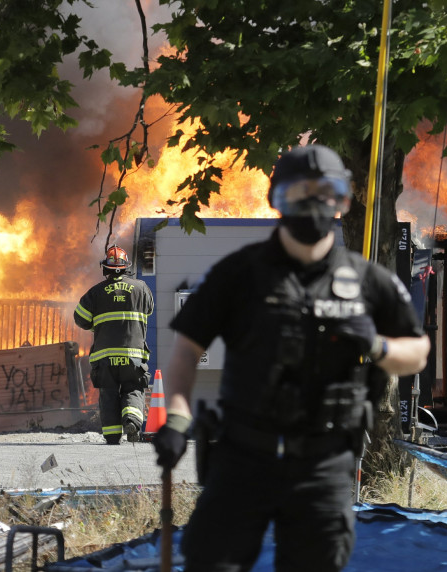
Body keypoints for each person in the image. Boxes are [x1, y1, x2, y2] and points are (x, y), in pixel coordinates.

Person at [152, 144, 430, 571]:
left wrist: (377, 346)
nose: (313, 204)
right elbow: (186, 349)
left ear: (343, 200)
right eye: (299, 193)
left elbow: (417, 353)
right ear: (276, 198)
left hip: (325, 464)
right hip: (243, 456)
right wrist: (176, 417)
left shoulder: (369, 282)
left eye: (326, 193)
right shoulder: (237, 274)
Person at [74, 244, 154, 444]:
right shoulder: (141, 288)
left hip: (105, 357)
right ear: (127, 267)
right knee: (133, 388)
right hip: (133, 356)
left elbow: (80, 318)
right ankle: (132, 422)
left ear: (105, 268)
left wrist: (98, 325)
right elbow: (149, 310)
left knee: (108, 393)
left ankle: (111, 436)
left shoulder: (95, 292)